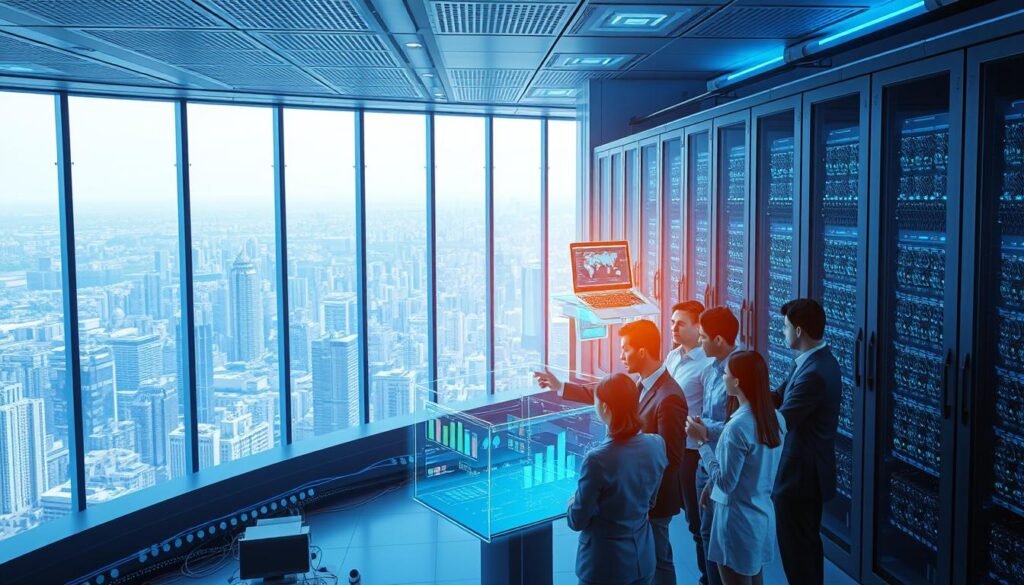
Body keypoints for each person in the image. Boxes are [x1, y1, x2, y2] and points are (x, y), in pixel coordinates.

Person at [536, 319, 687, 585]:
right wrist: (561, 387)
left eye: (625, 349)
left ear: (642, 351)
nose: (620, 355)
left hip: (649, 501)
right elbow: (606, 393)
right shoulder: (638, 385)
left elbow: (672, 459)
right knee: (647, 562)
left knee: (661, 562)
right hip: (638, 500)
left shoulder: (669, 396)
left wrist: (637, 493)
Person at [685, 351, 786, 585]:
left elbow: (726, 482)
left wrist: (701, 442)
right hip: (760, 515)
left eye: (726, 374)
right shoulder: (776, 419)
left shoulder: (737, 426)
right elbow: (750, 468)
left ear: (737, 381)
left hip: (736, 521)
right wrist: (711, 485)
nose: (723, 378)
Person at [568, 373, 669, 585]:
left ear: (605, 407)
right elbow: (651, 502)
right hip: (643, 559)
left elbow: (577, 520)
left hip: (604, 566)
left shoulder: (597, 459)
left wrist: (572, 504)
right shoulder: (657, 444)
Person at [771, 299, 842, 585]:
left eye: (785, 327)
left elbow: (783, 421)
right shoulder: (812, 361)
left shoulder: (814, 373)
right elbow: (778, 395)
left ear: (798, 331)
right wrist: (747, 390)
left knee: (797, 551)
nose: (782, 332)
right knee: (805, 546)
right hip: (805, 473)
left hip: (800, 477)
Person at [664, 300, 714, 585]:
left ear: (698, 328)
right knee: (686, 519)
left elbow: (710, 414)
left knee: (697, 524)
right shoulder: (673, 357)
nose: (673, 327)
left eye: (680, 323)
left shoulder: (707, 365)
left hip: (694, 454)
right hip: (674, 449)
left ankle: (707, 579)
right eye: (672, 322)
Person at [694, 307, 742, 585]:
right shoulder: (712, 369)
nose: (700, 342)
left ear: (719, 340)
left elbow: (740, 425)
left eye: (703, 337)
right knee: (704, 533)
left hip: (722, 462)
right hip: (707, 459)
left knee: (716, 540)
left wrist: (703, 431)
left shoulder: (737, 372)